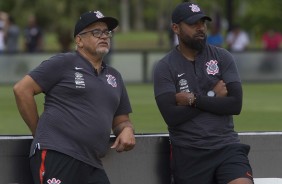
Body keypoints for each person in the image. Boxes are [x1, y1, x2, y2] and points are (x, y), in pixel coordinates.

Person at [13, 10, 135, 184]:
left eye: (106, 32)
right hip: (58, 155)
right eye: (96, 32)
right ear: (79, 40)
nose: (104, 36)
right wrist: (38, 132)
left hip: (92, 162)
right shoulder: (64, 62)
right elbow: (22, 89)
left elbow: (121, 120)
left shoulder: (114, 76)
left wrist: (128, 130)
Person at [153, 2, 253, 184]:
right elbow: (171, 115)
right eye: (193, 24)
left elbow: (235, 104)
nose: (200, 28)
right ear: (176, 28)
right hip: (189, 152)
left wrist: (194, 100)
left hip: (226, 147)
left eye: (202, 23)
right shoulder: (164, 67)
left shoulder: (223, 57)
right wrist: (213, 97)